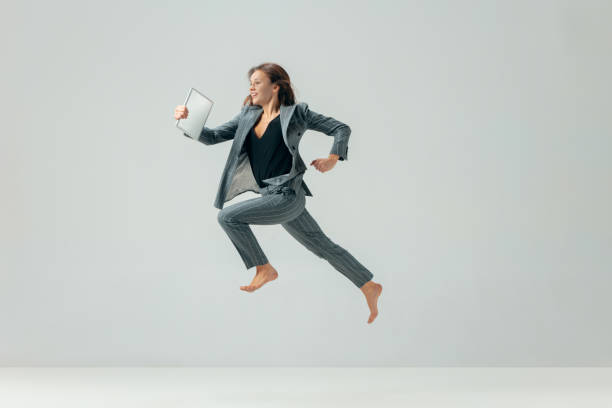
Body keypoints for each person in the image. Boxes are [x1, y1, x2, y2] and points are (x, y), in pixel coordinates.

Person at [174, 63, 382, 324]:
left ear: (276, 86)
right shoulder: (246, 116)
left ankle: (263, 268)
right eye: (250, 82)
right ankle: (368, 285)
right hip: (270, 196)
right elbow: (212, 136)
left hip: (287, 195)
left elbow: (341, 128)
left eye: (257, 82)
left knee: (228, 217)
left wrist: (332, 158)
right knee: (323, 246)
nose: (251, 86)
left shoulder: (297, 113)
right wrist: (188, 120)